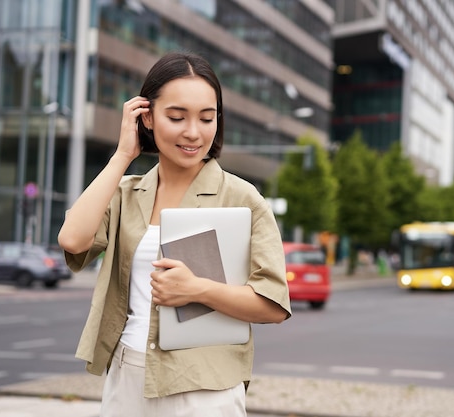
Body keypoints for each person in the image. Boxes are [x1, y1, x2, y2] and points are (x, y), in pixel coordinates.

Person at [58, 51, 291, 416]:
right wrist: (122, 154)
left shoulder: (242, 198)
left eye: (207, 118)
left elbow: (273, 305)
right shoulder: (126, 193)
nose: (193, 132)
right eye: (176, 117)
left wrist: (197, 290)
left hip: (204, 385)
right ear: (147, 117)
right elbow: (72, 240)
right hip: (126, 376)